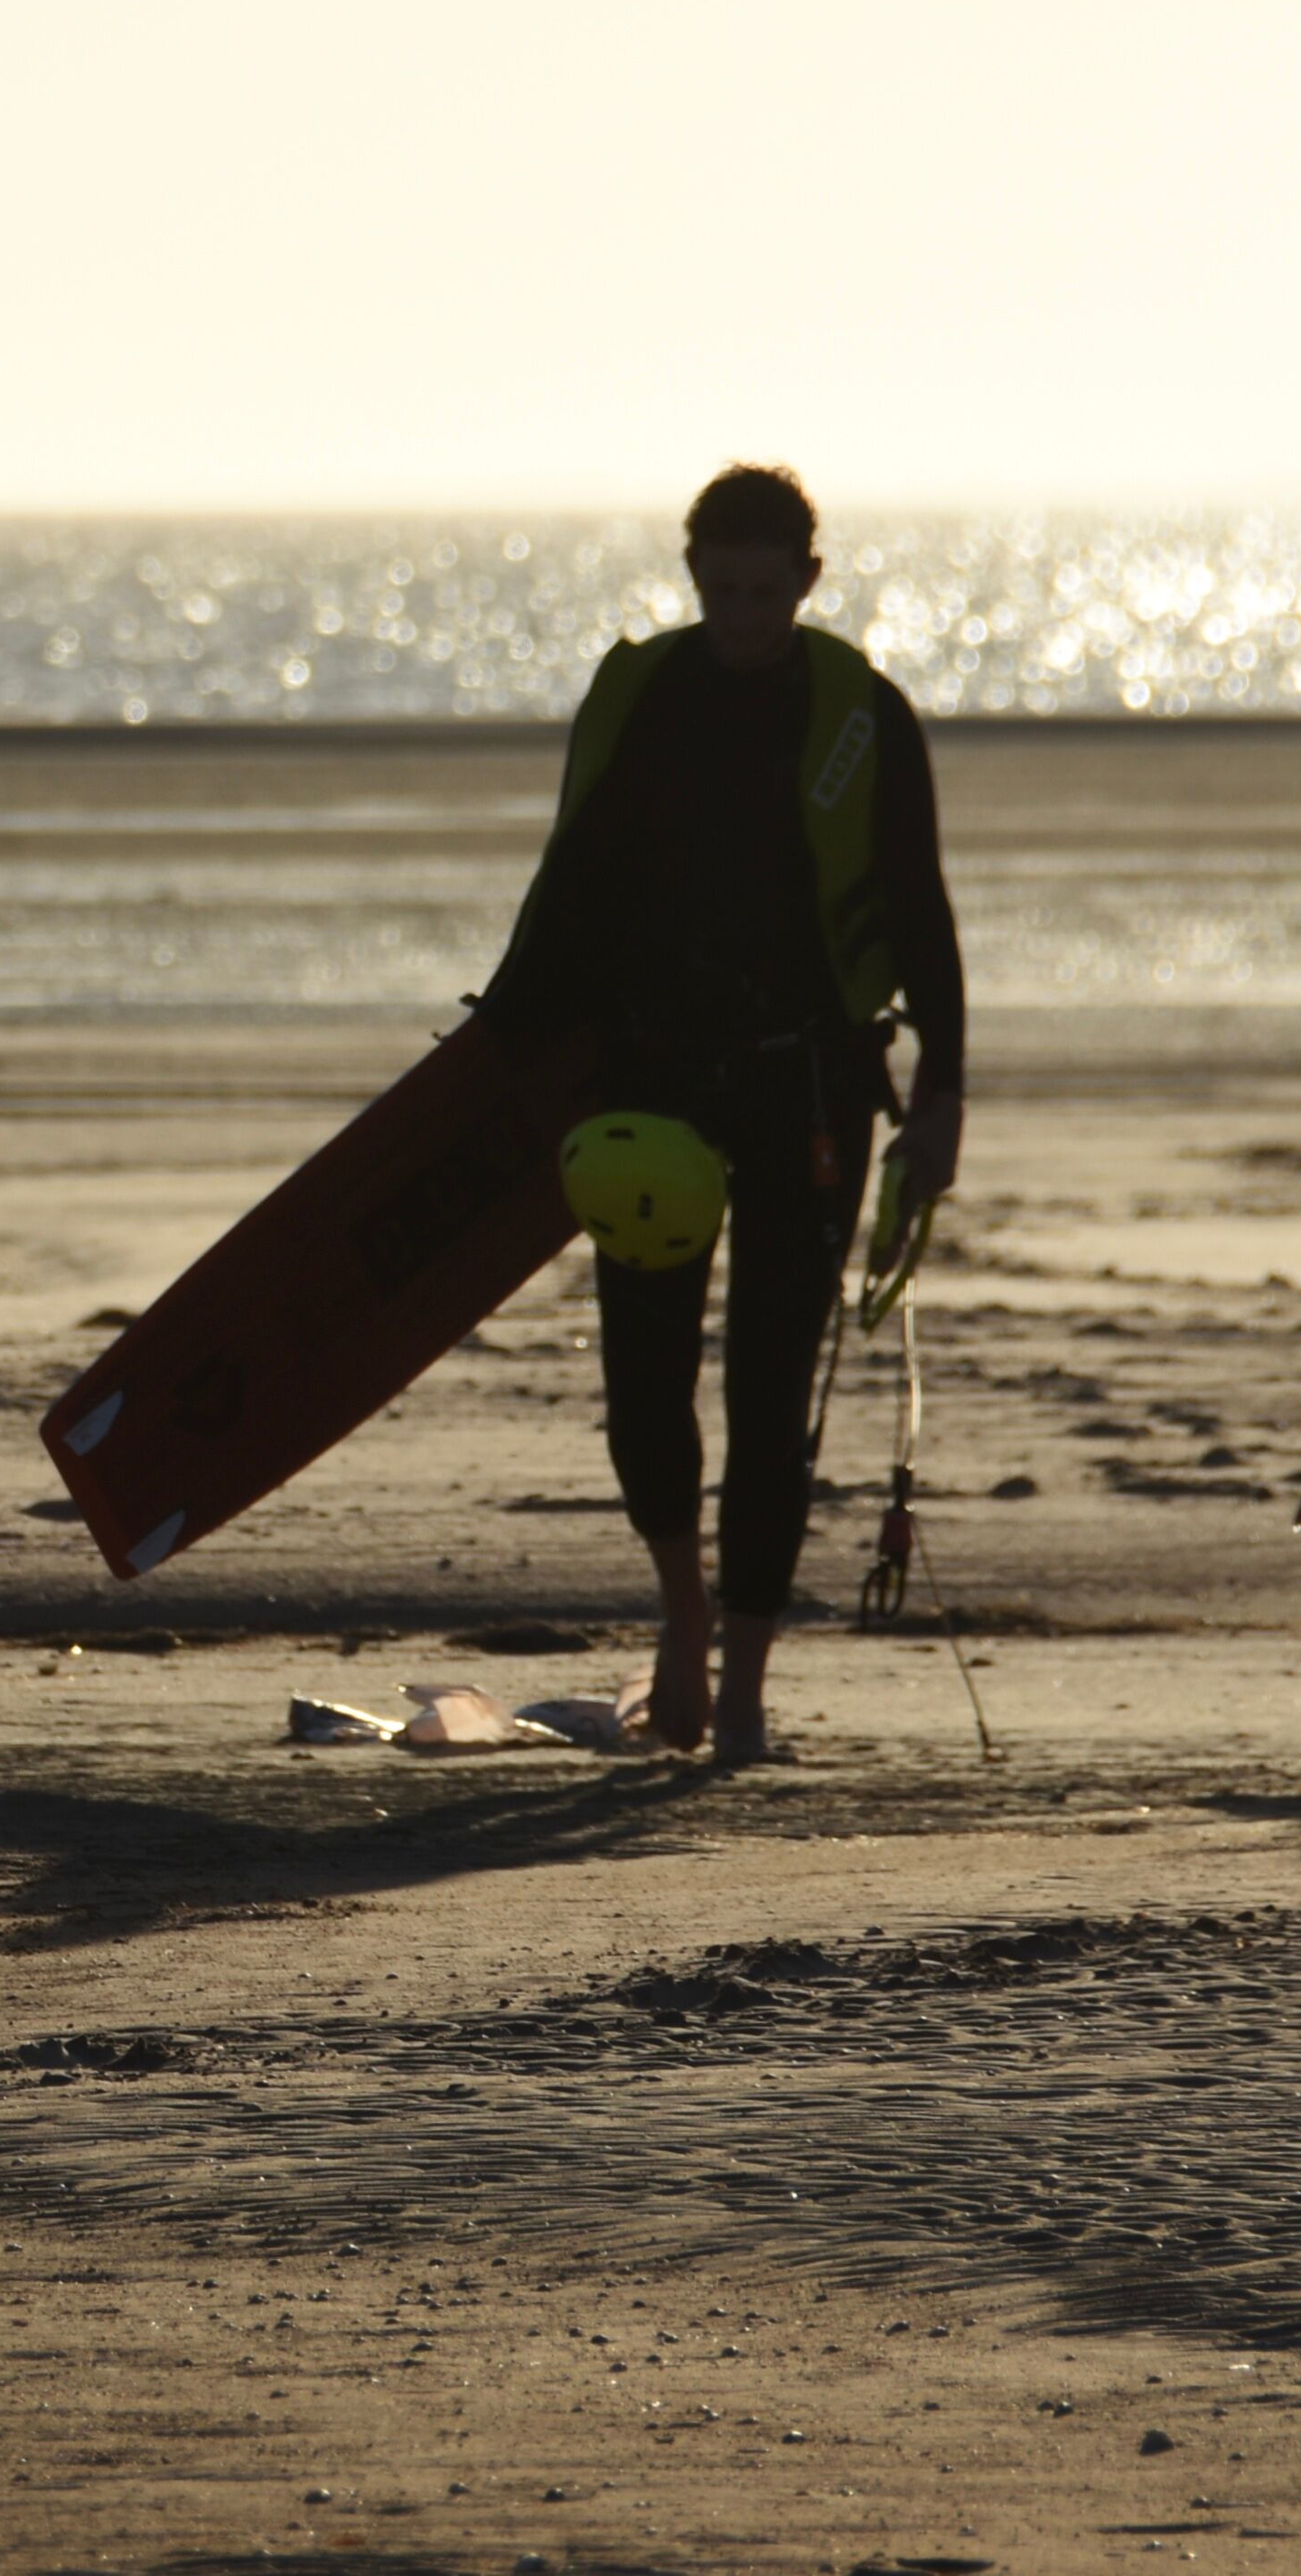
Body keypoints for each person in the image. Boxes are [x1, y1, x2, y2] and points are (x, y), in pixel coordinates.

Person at [478, 466, 968, 1766]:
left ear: (809, 579)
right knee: (642, 1384)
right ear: (691, 572)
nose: (743, 612)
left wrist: (943, 1094)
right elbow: (566, 882)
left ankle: (741, 1685)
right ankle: (681, 1622)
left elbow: (919, 911)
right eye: (720, 587)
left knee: (769, 1386)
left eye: (767, 590)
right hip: (652, 1087)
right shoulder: (642, 697)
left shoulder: (861, 714)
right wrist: (500, 1051)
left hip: (805, 1086)